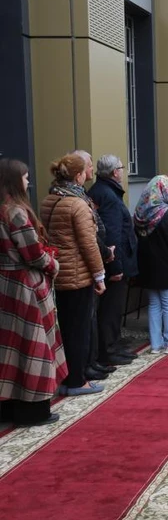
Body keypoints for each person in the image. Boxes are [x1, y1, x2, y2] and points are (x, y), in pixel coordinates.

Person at [0, 158, 67, 426]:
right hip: (24, 285)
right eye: (26, 177)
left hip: (5, 282)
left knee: (9, 348)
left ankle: (7, 408)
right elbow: (32, 253)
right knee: (32, 347)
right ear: (15, 181)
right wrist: (53, 264)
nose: (29, 182)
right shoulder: (15, 211)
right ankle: (33, 410)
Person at [40, 153, 106, 396]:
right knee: (79, 329)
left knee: (66, 327)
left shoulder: (51, 198)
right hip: (77, 273)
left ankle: (67, 374)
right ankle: (77, 380)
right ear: (79, 176)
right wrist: (99, 275)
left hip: (58, 270)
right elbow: (88, 244)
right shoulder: (77, 203)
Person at [87, 154, 139, 368]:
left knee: (114, 308)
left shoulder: (106, 191)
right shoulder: (106, 194)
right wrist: (115, 265)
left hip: (117, 260)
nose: (123, 171)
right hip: (114, 262)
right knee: (110, 309)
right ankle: (108, 350)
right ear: (115, 172)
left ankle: (114, 345)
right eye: (121, 168)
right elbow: (111, 234)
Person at [134, 176, 168, 355]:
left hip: (148, 265)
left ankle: (156, 344)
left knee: (154, 305)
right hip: (167, 265)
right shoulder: (165, 214)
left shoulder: (140, 212)